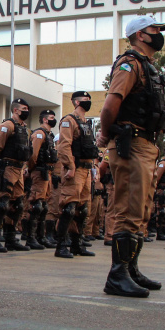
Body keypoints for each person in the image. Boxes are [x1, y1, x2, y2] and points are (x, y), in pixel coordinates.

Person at [97, 15, 165, 297]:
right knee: (129, 211)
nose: (158, 34)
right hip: (132, 145)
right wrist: (105, 136)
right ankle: (117, 276)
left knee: (140, 212)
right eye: (155, 29)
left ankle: (130, 269)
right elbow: (109, 106)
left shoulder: (147, 66)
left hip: (146, 145)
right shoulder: (129, 64)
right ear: (140, 35)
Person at [55, 91, 98, 258]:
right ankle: (61, 246)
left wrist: (93, 169)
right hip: (75, 169)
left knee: (83, 209)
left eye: (89, 99)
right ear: (75, 103)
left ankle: (77, 244)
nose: (87, 102)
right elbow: (64, 146)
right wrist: (70, 167)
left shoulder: (86, 123)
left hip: (86, 170)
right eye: (84, 100)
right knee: (69, 208)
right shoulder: (68, 121)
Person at [0, 98, 32, 253]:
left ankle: (10, 239)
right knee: (2, 204)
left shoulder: (23, 128)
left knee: (17, 205)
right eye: (24, 108)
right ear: (15, 110)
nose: (26, 111)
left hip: (19, 169)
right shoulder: (7, 125)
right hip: (7, 168)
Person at [24, 110, 57, 248]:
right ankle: (31, 238)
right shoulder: (39, 133)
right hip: (39, 171)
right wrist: (31, 169)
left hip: (47, 173)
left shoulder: (49, 135)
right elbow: (33, 155)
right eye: (51, 118)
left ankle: (40, 236)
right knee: (37, 205)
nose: (53, 120)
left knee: (43, 206)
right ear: (44, 119)